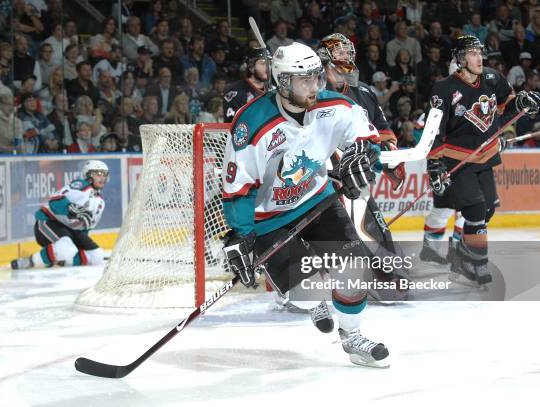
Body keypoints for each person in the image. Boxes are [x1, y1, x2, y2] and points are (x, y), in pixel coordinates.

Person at [222, 42, 389, 368]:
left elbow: (365, 137)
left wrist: (362, 158)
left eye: (316, 77)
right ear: (283, 83)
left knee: (355, 270)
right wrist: (242, 235)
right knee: (308, 293)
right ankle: (311, 301)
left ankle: (352, 337)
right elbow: (238, 185)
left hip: (318, 199)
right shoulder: (252, 123)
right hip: (267, 218)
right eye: (304, 80)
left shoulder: (335, 106)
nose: (314, 86)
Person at [425, 36, 540, 284]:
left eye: (480, 52)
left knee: (487, 209)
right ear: (460, 58)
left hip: (486, 156)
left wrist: (521, 103)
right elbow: (434, 131)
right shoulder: (443, 89)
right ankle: (477, 263)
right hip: (459, 160)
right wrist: (434, 164)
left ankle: (464, 253)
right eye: (472, 53)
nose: (479, 58)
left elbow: (506, 105)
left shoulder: (492, 78)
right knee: (475, 209)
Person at [317, 33, 408, 300]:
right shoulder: (312, 94)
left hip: (356, 176)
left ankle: (384, 277)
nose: (346, 59)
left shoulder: (364, 92)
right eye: (339, 56)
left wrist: (391, 155)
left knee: (371, 226)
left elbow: (381, 130)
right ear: (324, 62)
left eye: (348, 54)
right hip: (321, 178)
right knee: (335, 232)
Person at [11, 160, 108, 269]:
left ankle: (58, 259)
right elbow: (54, 200)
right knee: (66, 248)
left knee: (97, 257)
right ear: (89, 174)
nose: (102, 177)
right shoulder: (81, 186)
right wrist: (70, 208)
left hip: (71, 231)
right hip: (49, 221)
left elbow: (85, 228)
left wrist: (80, 247)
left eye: (105, 174)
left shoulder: (100, 202)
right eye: (99, 174)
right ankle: (30, 261)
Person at [223, 48, 268, 122]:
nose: (268, 67)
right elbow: (232, 125)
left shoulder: (275, 91)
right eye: (263, 63)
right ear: (251, 67)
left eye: (270, 63)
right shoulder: (235, 91)